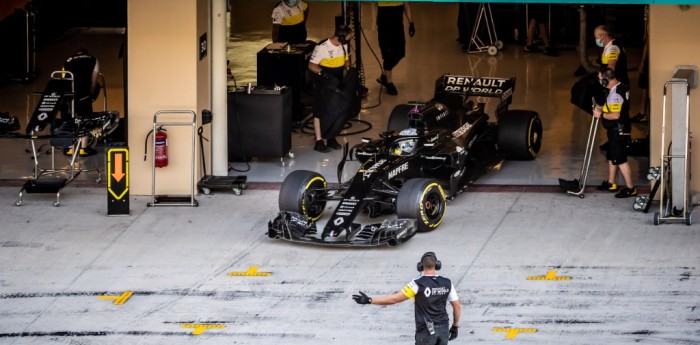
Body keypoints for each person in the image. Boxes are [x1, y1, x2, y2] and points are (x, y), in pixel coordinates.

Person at [353, 252, 462, 345]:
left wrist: (369, 300)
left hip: (426, 332)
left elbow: (394, 299)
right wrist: (455, 326)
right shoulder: (447, 282)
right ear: (437, 265)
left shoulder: (416, 284)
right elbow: (457, 306)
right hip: (443, 330)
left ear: (420, 266)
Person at [308, 25, 360, 153]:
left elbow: (346, 61)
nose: (350, 39)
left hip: (337, 81)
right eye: (349, 37)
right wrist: (323, 74)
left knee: (337, 108)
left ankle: (331, 137)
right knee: (319, 110)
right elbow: (311, 65)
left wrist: (348, 70)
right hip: (322, 81)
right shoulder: (322, 47)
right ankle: (319, 141)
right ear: (341, 37)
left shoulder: (344, 45)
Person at [593, 68, 637, 198]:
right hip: (616, 130)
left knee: (621, 159)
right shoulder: (619, 87)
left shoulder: (615, 94)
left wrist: (600, 114)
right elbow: (614, 107)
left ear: (606, 80)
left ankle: (630, 188)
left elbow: (616, 115)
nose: (600, 82)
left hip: (619, 130)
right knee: (612, 156)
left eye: (601, 79)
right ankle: (611, 183)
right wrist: (600, 108)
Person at [62, 48, 100, 157]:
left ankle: (69, 148)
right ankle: (84, 148)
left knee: (70, 118)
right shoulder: (93, 60)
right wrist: (91, 95)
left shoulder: (68, 61)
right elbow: (93, 82)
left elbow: (64, 79)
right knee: (85, 119)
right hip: (84, 94)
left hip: (69, 94)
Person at [376, 2, 415, 96]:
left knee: (400, 53)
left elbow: (407, 6)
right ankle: (389, 83)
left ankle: (385, 76)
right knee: (388, 55)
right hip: (384, 27)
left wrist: (411, 23)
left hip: (398, 27)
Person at [631, 5, 649, 123]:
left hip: (650, 55)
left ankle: (643, 113)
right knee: (645, 85)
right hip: (647, 46)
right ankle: (642, 113)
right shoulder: (647, 7)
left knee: (644, 85)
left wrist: (642, 62)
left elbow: (649, 41)